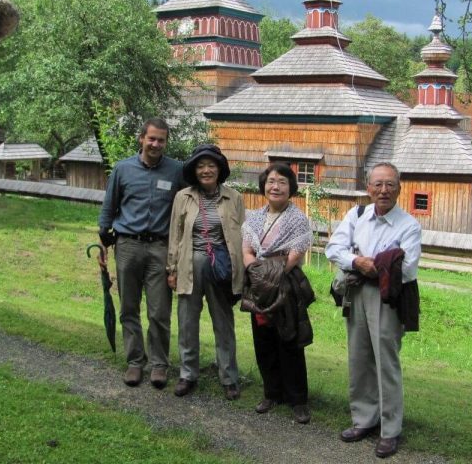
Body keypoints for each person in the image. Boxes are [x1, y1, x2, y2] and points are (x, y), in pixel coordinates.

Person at [325, 162, 421, 459]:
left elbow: (406, 269)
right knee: (359, 357)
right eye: (378, 184)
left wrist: (369, 263)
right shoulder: (357, 215)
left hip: (388, 297)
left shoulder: (409, 226)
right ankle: (364, 420)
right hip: (356, 292)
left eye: (390, 184)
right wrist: (357, 262)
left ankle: (390, 431)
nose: (383, 190)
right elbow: (333, 249)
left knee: (386, 362)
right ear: (368, 188)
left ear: (399, 189)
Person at [98, 118, 184, 389]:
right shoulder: (123, 169)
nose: (156, 144)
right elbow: (109, 205)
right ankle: (135, 361)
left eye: (161, 140)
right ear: (141, 139)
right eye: (152, 139)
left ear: (166, 142)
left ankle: (159, 364)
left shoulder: (176, 171)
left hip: (160, 248)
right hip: (127, 246)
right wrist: (104, 231)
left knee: (159, 310)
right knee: (129, 307)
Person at [166, 144, 245, 400]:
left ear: (219, 169)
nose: (206, 170)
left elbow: (243, 237)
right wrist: (171, 269)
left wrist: (242, 272)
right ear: (194, 171)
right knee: (187, 322)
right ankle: (187, 375)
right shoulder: (183, 197)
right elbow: (175, 236)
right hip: (189, 264)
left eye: (211, 165)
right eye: (201, 166)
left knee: (223, 323)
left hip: (220, 267)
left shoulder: (234, 198)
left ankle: (229, 377)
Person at [241, 162, 315, 424]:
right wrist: (257, 271)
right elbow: (246, 251)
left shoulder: (298, 219)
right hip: (258, 285)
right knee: (263, 340)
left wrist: (266, 271)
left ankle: (298, 400)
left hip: (285, 285)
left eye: (282, 182)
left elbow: (292, 257)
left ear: (291, 188)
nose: (276, 186)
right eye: (272, 181)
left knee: (289, 340)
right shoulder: (254, 217)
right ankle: (271, 393)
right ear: (264, 186)